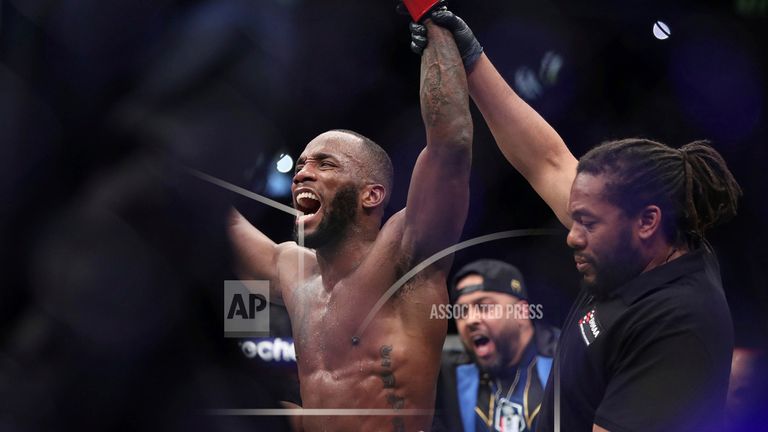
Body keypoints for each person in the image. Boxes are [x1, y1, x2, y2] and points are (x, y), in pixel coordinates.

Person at [404, 7, 743, 431]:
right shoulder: (636, 248)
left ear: (647, 221)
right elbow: (545, 159)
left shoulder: (679, 324)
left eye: (587, 223)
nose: (572, 236)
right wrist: (471, 56)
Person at [228, 20, 473, 432]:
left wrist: (432, 19)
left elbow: (451, 144)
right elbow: (214, 220)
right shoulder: (293, 269)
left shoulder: (405, 254)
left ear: (371, 195)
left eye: (325, 164)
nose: (302, 173)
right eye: (302, 164)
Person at [434, 259, 558, 432]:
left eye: (484, 307)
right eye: (461, 311)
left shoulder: (567, 361)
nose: (470, 320)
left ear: (521, 312)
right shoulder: (449, 376)